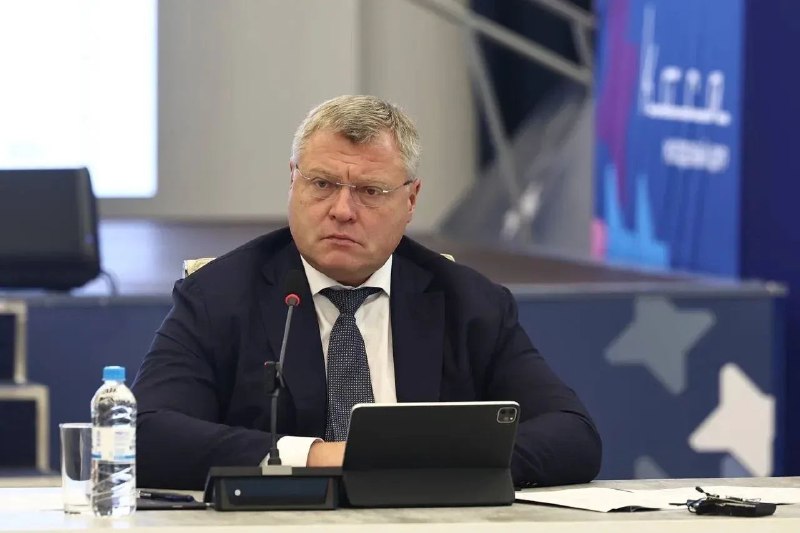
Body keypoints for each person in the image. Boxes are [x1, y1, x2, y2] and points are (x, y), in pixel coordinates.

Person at [132, 95, 602, 490]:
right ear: (292, 181)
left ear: (411, 200)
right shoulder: (219, 296)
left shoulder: (468, 302)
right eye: (322, 184)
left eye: (370, 191)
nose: (342, 210)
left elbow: (573, 435)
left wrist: (419, 463)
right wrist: (316, 458)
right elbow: (145, 434)